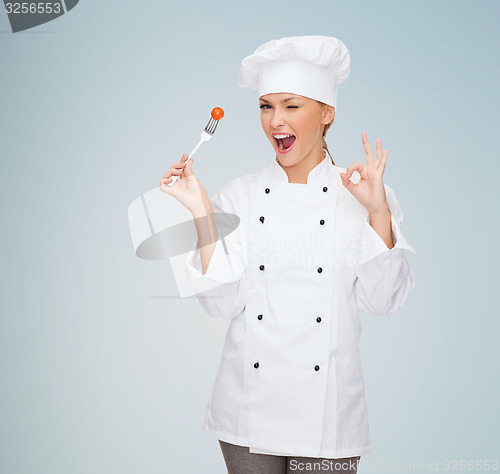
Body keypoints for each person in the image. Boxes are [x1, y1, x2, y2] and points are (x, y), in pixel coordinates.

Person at [159, 35, 416, 474]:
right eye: (265, 106)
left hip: (328, 416)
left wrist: (376, 211)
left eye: (291, 105)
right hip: (247, 412)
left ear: (327, 113)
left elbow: (384, 300)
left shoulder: (364, 193)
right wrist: (202, 209)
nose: (276, 120)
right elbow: (221, 303)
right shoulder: (238, 196)